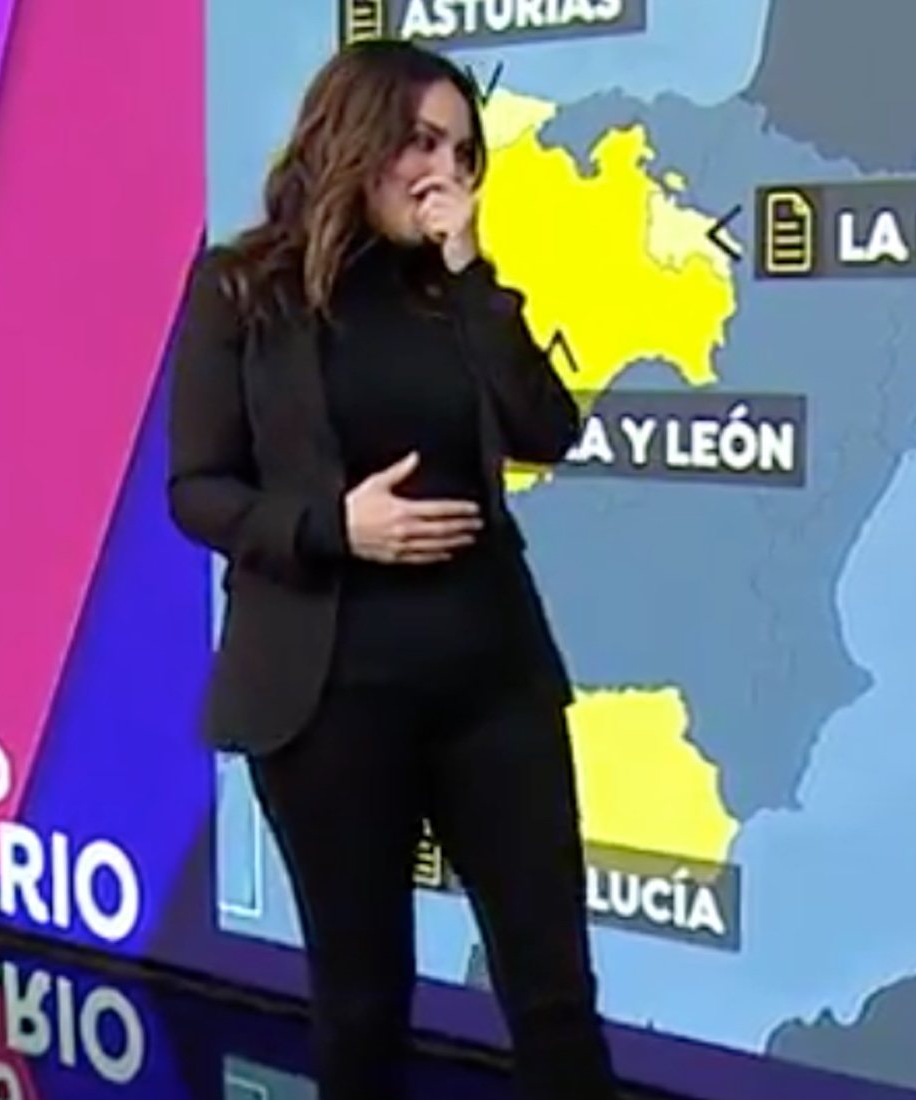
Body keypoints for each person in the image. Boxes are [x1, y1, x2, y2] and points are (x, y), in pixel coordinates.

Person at [164, 39, 616, 1100]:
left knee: (554, 994)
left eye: (462, 152)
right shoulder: (242, 289)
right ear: (355, 139)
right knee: (362, 1002)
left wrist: (473, 276)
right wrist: (335, 525)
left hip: (491, 684)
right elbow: (198, 490)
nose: (444, 171)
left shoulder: (454, 293)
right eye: (421, 141)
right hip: (326, 697)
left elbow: (546, 428)